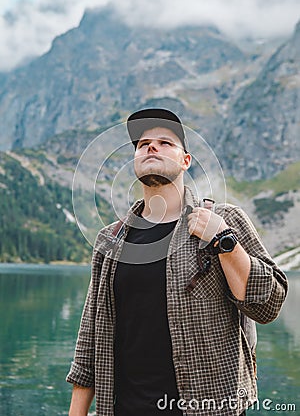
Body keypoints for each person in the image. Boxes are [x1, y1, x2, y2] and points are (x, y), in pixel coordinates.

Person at [66, 108, 288, 416]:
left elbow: (269, 304)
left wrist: (223, 239)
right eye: (143, 144)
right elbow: (90, 339)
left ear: (186, 161)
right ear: (134, 162)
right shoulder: (110, 240)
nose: (151, 147)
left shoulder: (225, 220)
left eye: (165, 142)